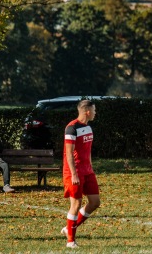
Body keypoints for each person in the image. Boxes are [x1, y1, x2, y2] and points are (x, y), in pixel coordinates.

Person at [60, 100, 101, 249]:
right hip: (74, 171)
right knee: (76, 204)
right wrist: (74, 174)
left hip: (87, 171)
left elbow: (88, 151)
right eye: (94, 110)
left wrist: (90, 167)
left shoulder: (88, 127)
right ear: (87, 111)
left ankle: (68, 228)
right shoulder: (71, 128)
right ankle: (70, 241)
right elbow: (69, 154)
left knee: (95, 202)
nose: (96, 113)